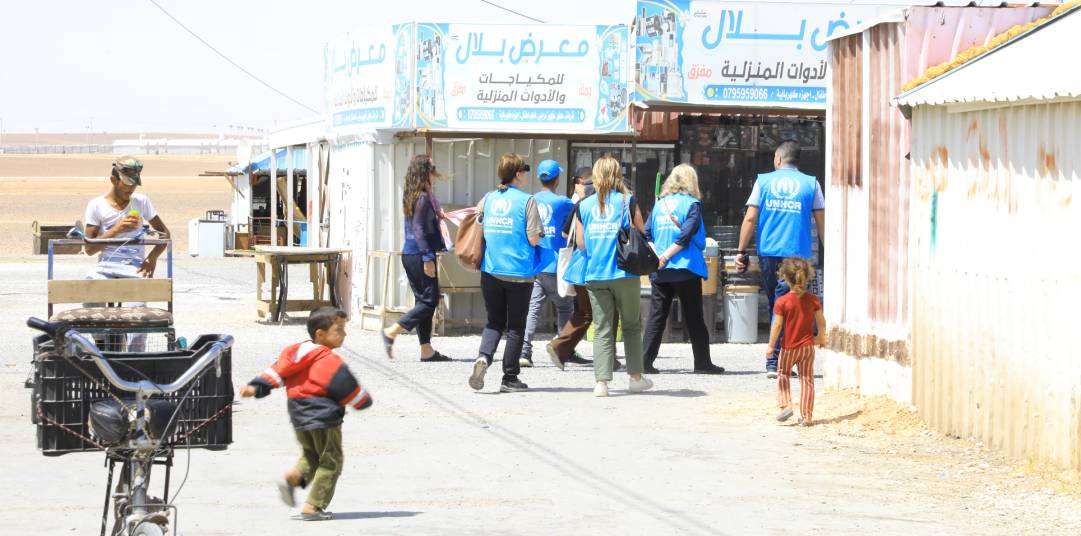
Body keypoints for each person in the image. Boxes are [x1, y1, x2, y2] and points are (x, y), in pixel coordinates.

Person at [240, 307, 374, 521]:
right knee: (331, 461)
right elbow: (346, 387)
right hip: (324, 416)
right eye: (339, 330)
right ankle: (313, 506)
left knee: (311, 454)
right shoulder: (328, 359)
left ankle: (295, 477)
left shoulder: (294, 352)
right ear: (320, 334)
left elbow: (277, 371)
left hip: (298, 414)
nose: (344, 334)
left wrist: (256, 387)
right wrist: (363, 401)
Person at [735, 141, 825, 378]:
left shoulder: (763, 181)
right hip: (797, 255)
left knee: (777, 302)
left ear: (777, 159)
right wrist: (830, 252)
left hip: (768, 251)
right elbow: (822, 222)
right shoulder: (811, 183)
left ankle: (775, 360)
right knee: (790, 304)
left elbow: (750, 218)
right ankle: (781, 359)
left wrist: (740, 250)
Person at [574, 155, 652, 397]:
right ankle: (635, 378)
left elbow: (581, 244)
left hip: (595, 275)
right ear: (618, 175)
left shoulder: (582, 205)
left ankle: (601, 383)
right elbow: (641, 233)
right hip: (624, 273)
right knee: (630, 325)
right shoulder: (627, 202)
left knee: (603, 328)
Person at [468, 153, 543, 393]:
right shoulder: (528, 201)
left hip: (490, 271)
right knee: (515, 327)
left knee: (494, 322)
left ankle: (484, 357)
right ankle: (509, 377)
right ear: (518, 174)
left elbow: (475, 220)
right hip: (519, 273)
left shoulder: (489, 198)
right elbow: (533, 238)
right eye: (524, 171)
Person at [641, 164, 725, 375]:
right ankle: (702, 363)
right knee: (694, 316)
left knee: (656, 316)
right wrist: (668, 256)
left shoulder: (660, 205)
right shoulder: (692, 204)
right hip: (685, 268)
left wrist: (658, 257)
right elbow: (685, 237)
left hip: (660, 270)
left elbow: (647, 234)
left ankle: (645, 361)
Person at [82, 156, 171, 351]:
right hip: (106, 266)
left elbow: (165, 235)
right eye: (126, 185)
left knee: (139, 322)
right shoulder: (96, 205)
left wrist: (151, 258)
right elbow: (89, 248)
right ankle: (101, 341)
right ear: (113, 180)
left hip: (134, 267)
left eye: (134, 186)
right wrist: (116, 230)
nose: (130, 190)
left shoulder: (141, 202)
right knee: (90, 289)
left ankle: (135, 365)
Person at [545, 167, 620, 370]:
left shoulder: (581, 204)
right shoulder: (615, 203)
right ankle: (607, 358)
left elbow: (564, 234)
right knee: (608, 312)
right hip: (599, 267)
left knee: (585, 313)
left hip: (578, 268)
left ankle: (560, 347)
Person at [382, 154, 452, 362]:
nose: (435, 172)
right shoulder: (422, 197)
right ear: (424, 172)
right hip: (419, 255)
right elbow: (418, 229)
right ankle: (391, 331)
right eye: (432, 168)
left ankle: (426, 350)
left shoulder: (417, 195)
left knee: (424, 300)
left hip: (413, 253)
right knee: (430, 301)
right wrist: (428, 258)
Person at [520, 159, 575, 367]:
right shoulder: (563, 202)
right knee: (565, 308)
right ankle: (562, 350)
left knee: (532, 310)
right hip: (557, 264)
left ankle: (524, 352)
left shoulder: (531, 199)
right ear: (557, 179)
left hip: (537, 265)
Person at [767, 258, 827, 426]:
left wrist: (771, 346)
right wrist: (822, 337)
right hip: (808, 348)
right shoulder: (813, 299)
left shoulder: (782, 302)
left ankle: (785, 404)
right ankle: (806, 416)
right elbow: (821, 321)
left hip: (788, 348)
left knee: (783, 374)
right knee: (807, 379)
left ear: (785, 277)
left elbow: (777, 325)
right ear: (808, 277)